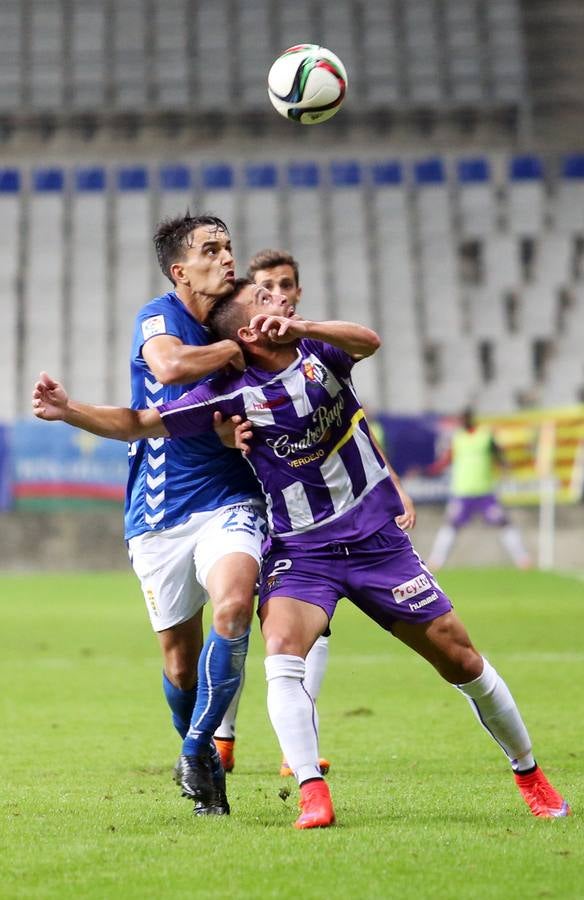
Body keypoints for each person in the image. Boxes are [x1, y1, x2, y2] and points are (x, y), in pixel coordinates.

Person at [33, 281, 570, 829]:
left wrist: (305, 327)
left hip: (376, 542)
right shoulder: (227, 392)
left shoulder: (321, 350)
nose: (281, 301)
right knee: (283, 652)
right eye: (266, 299)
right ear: (247, 331)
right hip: (302, 550)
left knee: (460, 658)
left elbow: (371, 340)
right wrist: (67, 408)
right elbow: (139, 422)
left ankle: (530, 775)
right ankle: (312, 792)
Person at [216, 248, 417, 777]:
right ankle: (224, 733)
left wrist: (391, 482)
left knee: (313, 626)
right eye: (266, 286)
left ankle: (294, 749)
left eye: (286, 285)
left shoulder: (314, 348)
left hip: (319, 511)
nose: (277, 294)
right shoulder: (236, 354)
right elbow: (212, 410)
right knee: (240, 614)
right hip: (257, 499)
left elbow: (349, 426)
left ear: (298, 292)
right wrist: (225, 434)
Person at [99, 212, 269, 817]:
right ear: (181, 270)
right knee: (178, 660)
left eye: (230, 247)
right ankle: (206, 776)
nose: (227, 258)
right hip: (159, 509)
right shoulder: (161, 317)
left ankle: (197, 750)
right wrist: (230, 350)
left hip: (228, 496)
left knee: (233, 603)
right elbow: (168, 368)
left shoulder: (238, 317)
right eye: (212, 250)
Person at [427, 408, 532, 570]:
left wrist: (505, 468)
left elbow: (498, 455)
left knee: (503, 523)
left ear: (470, 418)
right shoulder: (457, 438)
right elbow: (447, 459)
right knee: (450, 525)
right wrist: (430, 471)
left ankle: (523, 560)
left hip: (485, 492)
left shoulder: (485, 436)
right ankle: (436, 561)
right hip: (462, 492)